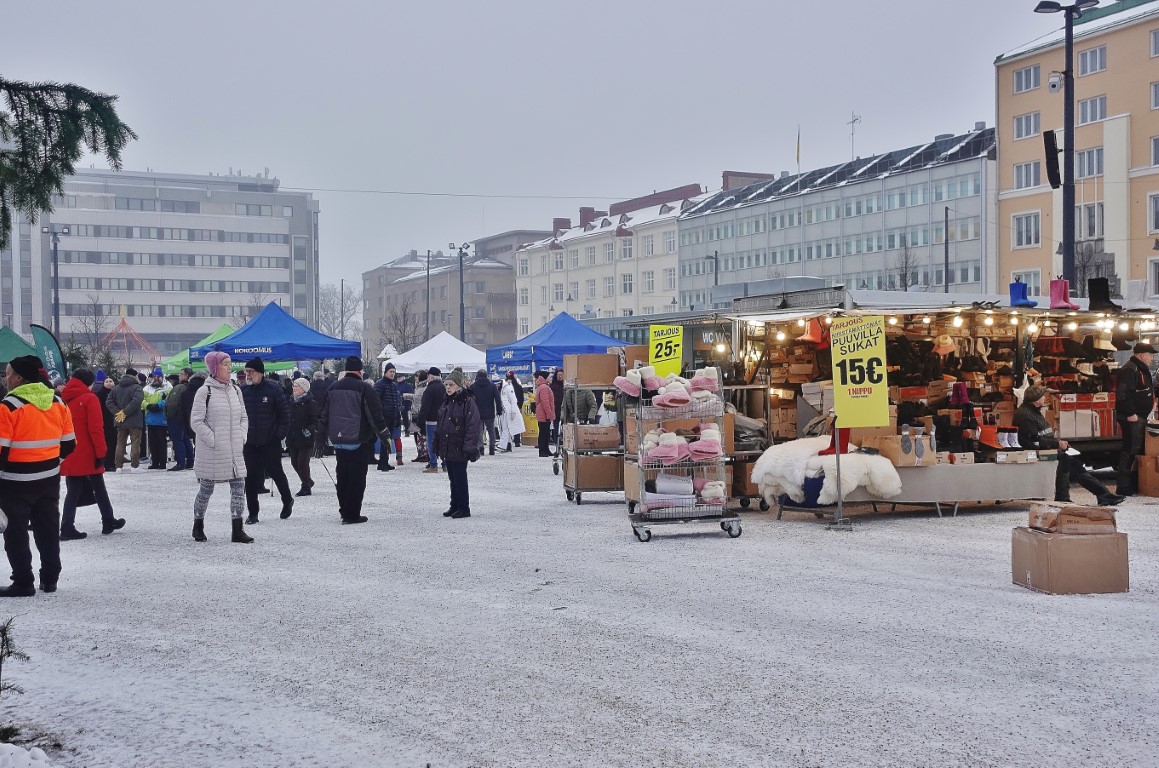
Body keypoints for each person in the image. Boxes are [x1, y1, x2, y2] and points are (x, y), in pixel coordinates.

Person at [0, 356, 76, 596]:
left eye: (8, 373)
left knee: (16, 532)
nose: (6, 377)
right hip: (48, 479)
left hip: (14, 483)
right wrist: (52, 463)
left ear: (19, 377)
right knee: (48, 529)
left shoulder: (8, 406)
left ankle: (23, 582)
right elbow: (69, 444)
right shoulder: (58, 403)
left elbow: (1, 450)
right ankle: (50, 579)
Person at [1015, 385, 1125, 506]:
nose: (1045, 398)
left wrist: (1059, 443)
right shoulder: (1026, 415)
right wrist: (1057, 444)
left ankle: (1103, 495)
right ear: (1036, 401)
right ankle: (1065, 497)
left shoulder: (1034, 411)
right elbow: (1033, 441)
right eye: (1043, 396)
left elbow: (1042, 436)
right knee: (1066, 460)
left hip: (1045, 448)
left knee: (1074, 463)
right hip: (1034, 452)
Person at [190, 351, 252, 543]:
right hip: (213, 452)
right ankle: (198, 524)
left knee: (239, 487)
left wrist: (242, 435)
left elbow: (244, 416)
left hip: (234, 449)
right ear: (214, 368)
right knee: (206, 489)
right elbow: (196, 422)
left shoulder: (236, 390)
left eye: (230, 363)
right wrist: (214, 440)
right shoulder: (204, 392)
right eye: (225, 364)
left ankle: (237, 529)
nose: (229, 367)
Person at [317, 356, 389, 524]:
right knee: (357, 478)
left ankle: (344, 510)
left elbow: (324, 414)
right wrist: (384, 435)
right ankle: (352, 514)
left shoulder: (333, 387)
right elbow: (375, 415)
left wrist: (320, 437)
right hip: (358, 439)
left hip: (338, 439)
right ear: (360, 371)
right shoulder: (365, 388)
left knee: (342, 475)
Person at [59, 369, 126, 540]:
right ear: (88, 382)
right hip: (88, 451)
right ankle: (108, 520)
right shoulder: (90, 398)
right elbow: (96, 429)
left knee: (72, 491)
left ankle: (66, 526)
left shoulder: (62, 399)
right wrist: (101, 452)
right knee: (99, 488)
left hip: (69, 450)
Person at [240, 357, 293, 523]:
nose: (247, 375)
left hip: (270, 440)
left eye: (251, 372)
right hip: (249, 442)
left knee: (276, 472)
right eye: (246, 371)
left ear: (260, 373)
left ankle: (287, 500)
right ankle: (253, 512)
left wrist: (279, 434)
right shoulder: (242, 391)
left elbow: (285, 414)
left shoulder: (273, 389)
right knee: (250, 477)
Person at [433, 369, 481, 519]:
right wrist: (437, 444)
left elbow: (473, 426)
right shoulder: (447, 402)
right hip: (449, 446)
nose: (448, 387)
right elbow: (441, 425)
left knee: (460, 478)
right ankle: (454, 505)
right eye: (446, 384)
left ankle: (463, 507)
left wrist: (469, 447)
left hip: (460, 447)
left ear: (459, 386)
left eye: (451, 384)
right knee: (452, 478)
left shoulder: (467, 402)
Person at [1115, 342, 1155, 495]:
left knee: (1136, 448)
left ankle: (1133, 483)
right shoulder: (1130, 369)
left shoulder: (1140, 369)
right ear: (1142, 355)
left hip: (1140, 415)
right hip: (1132, 417)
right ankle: (1124, 486)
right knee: (1130, 449)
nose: (1152, 359)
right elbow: (1123, 393)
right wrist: (1130, 413)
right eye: (1150, 356)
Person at [286, 377, 321, 496]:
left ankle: (305, 486)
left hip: (305, 438)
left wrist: (309, 430)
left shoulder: (311, 403)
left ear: (304, 389)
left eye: (297, 386)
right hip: (292, 437)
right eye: (293, 386)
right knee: (294, 463)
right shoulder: (290, 401)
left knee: (302, 463)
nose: (294, 388)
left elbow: (315, 421)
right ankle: (308, 480)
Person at [107, 367, 144, 472]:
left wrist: (118, 412)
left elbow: (109, 402)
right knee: (135, 443)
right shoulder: (137, 387)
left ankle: (118, 466)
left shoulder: (115, 388)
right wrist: (125, 412)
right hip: (135, 420)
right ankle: (135, 466)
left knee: (120, 443)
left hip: (120, 420)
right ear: (135, 376)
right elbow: (137, 401)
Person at [374, 363, 404, 471]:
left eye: (394, 372)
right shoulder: (380, 384)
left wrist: (397, 415)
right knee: (384, 440)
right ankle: (383, 463)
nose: (392, 374)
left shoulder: (393, 385)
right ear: (385, 372)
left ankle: (384, 461)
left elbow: (396, 401)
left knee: (388, 440)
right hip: (384, 417)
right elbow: (376, 401)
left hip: (392, 416)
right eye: (390, 372)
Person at [418, 367, 446, 473]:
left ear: (431, 377)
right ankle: (445, 464)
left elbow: (425, 407)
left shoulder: (429, 390)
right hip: (444, 420)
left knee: (431, 443)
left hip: (431, 421)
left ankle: (433, 465)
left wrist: (421, 421)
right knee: (443, 442)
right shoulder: (445, 388)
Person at [142, 367, 172, 469]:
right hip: (150, 419)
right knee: (152, 443)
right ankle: (154, 462)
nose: (156, 378)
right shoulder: (146, 388)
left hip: (162, 419)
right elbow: (141, 400)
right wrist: (148, 405)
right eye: (154, 376)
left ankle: (162, 463)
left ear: (162, 377)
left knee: (161, 442)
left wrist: (159, 405)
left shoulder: (168, 387)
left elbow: (169, 400)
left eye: (158, 376)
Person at [469, 369, 503, 456]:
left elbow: (469, 399)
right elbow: (497, 399)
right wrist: (499, 410)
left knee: (479, 431)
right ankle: (492, 448)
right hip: (490, 412)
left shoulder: (473, 386)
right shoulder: (492, 386)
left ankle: (481, 448)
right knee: (491, 430)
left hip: (477, 412)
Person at [166, 367, 194, 471]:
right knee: (186, 440)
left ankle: (181, 462)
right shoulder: (191, 387)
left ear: (186, 375)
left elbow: (172, 404)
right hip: (186, 417)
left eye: (181, 374)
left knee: (178, 440)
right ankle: (190, 461)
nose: (179, 375)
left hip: (177, 417)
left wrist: (169, 415)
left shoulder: (179, 387)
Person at [94, 371, 118, 471]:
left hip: (115, 421)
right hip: (105, 421)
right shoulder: (100, 394)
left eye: (110, 381)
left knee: (114, 443)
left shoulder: (116, 393)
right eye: (106, 381)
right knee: (107, 443)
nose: (109, 383)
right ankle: (107, 463)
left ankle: (113, 462)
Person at [498, 374, 524, 452]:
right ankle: (508, 445)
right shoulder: (503, 388)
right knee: (507, 428)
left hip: (509, 412)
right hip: (505, 411)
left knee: (506, 428)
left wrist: (513, 411)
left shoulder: (508, 388)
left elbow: (514, 400)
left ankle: (502, 445)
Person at [408, 370, 430, 463]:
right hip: (415, 412)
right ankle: (420, 453)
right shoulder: (418, 386)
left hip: (419, 413)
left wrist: (405, 396)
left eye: (417, 377)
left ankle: (424, 454)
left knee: (421, 434)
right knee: (417, 434)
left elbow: (417, 398)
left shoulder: (423, 387)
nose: (415, 378)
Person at [535, 370, 555, 457]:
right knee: (544, 433)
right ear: (545, 378)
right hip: (544, 414)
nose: (551, 378)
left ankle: (546, 450)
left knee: (545, 433)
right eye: (549, 377)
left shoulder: (543, 386)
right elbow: (545, 403)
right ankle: (543, 451)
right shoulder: (544, 388)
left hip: (542, 413)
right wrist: (550, 414)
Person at [506, 371, 524, 446]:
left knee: (507, 425)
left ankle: (508, 441)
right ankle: (517, 441)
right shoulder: (518, 386)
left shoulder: (505, 386)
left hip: (507, 407)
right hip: (516, 407)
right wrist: (519, 406)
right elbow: (521, 398)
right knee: (516, 424)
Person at [550, 369, 565, 442]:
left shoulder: (566, 385)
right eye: (558, 375)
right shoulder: (552, 386)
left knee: (565, 428)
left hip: (565, 410)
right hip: (555, 410)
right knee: (556, 428)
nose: (560, 376)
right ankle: (557, 443)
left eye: (561, 375)